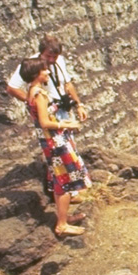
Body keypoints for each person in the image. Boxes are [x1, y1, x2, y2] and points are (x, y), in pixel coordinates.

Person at [19, 57, 91, 237]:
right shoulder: (40, 95)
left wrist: (63, 121)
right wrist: (68, 125)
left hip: (49, 141)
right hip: (55, 142)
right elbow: (44, 122)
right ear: (36, 74)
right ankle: (62, 225)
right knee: (65, 181)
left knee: (59, 178)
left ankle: (64, 217)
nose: (48, 72)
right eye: (44, 70)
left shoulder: (31, 92)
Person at [7, 35, 89, 122]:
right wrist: (35, 103)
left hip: (62, 109)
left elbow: (67, 84)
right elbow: (11, 88)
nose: (51, 60)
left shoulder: (60, 60)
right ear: (41, 52)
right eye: (48, 56)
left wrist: (79, 105)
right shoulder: (31, 65)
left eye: (55, 57)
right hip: (47, 113)